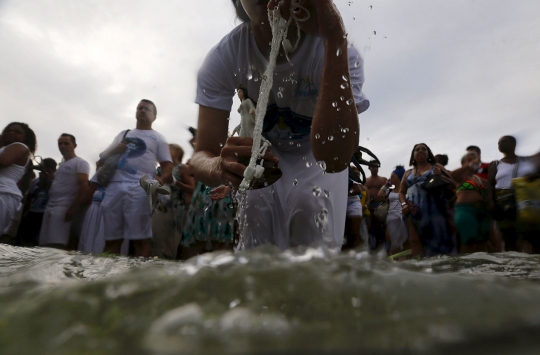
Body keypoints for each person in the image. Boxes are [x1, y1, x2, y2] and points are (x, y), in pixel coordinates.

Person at [190, 0, 369, 250]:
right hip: (263, 153)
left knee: (311, 215)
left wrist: (334, 37)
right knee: (255, 223)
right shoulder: (226, 55)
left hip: (316, 156)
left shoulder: (339, 51)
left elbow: (336, 159)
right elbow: (200, 155)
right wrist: (219, 164)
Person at [97, 99, 173, 257]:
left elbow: (167, 166)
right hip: (114, 187)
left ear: (154, 117)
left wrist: (161, 179)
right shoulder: (124, 134)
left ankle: (142, 277)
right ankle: (109, 275)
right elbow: (102, 158)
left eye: (147, 109)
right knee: (112, 239)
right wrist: (115, 150)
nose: (142, 111)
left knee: (140, 239)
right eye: (140, 108)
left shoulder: (158, 138)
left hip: (140, 188)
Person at [399, 143, 456, 257]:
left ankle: (440, 267)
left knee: (438, 239)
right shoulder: (407, 173)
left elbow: (453, 185)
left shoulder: (436, 167)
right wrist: (404, 205)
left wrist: (440, 176)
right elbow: (401, 192)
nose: (420, 151)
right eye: (417, 149)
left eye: (424, 149)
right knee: (415, 240)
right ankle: (420, 269)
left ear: (428, 153)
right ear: (413, 155)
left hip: (435, 209)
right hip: (412, 210)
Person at [488, 136, 539, 252]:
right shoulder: (495, 164)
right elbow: (490, 185)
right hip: (504, 202)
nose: (500, 144)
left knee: (531, 235)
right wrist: (491, 202)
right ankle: (512, 263)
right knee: (508, 236)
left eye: (504, 141)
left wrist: (531, 177)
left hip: (526, 201)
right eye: (499, 143)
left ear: (514, 143)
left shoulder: (527, 160)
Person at [39, 134, 90, 249]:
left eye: (66, 143)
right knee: (44, 244)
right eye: (60, 143)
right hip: (50, 206)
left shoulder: (80, 162)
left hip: (64, 206)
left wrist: (74, 207)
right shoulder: (62, 165)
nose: (62, 146)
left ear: (74, 145)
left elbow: (84, 186)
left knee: (57, 244)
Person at [151, 143, 195, 259]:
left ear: (178, 152)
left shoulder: (183, 168)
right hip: (159, 207)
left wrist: (175, 182)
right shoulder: (159, 170)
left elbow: (193, 189)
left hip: (177, 208)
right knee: (156, 238)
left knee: (171, 242)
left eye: (168, 149)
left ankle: (169, 268)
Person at [0, 122, 36, 235]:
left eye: (17, 132)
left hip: (3, 192)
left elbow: (3, 161)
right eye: (8, 130)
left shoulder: (20, 146)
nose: (11, 133)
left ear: (25, 138)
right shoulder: (6, 148)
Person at [451, 152, 490, 253]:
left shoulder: (477, 178)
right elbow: (453, 175)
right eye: (469, 160)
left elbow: (492, 185)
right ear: (463, 164)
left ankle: (483, 266)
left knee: (483, 240)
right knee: (468, 240)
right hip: (465, 209)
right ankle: (467, 266)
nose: (473, 162)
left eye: (475, 159)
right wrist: (469, 166)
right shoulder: (461, 177)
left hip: (481, 211)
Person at [17, 158, 57, 246]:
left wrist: (47, 179)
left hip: (45, 214)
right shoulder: (35, 181)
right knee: (25, 237)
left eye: (48, 171)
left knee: (37, 239)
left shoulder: (56, 182)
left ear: (53, 171)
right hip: (32, 212)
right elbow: (29, 197)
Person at [378, 165, 408, 255]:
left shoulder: (406, 189)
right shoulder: (390, 190)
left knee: (406, 240)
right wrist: (385, 185)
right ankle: (396, 261)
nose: (390, 179)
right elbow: (380, 195)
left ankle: (408, 260)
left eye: (392, 177)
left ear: (399, 177)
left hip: (403, 216)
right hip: (391, 217)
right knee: (394, 241)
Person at [365, 161, 388, 250]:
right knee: (369, 227)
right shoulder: (366, 180)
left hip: (380, 206)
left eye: (377, 166)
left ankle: (381, 246)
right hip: (370, 206)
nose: (375, 168)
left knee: (381, 228)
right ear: (369, 168)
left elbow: (389, 191)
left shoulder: (383, 180)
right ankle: (371, 247)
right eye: (373, 166)